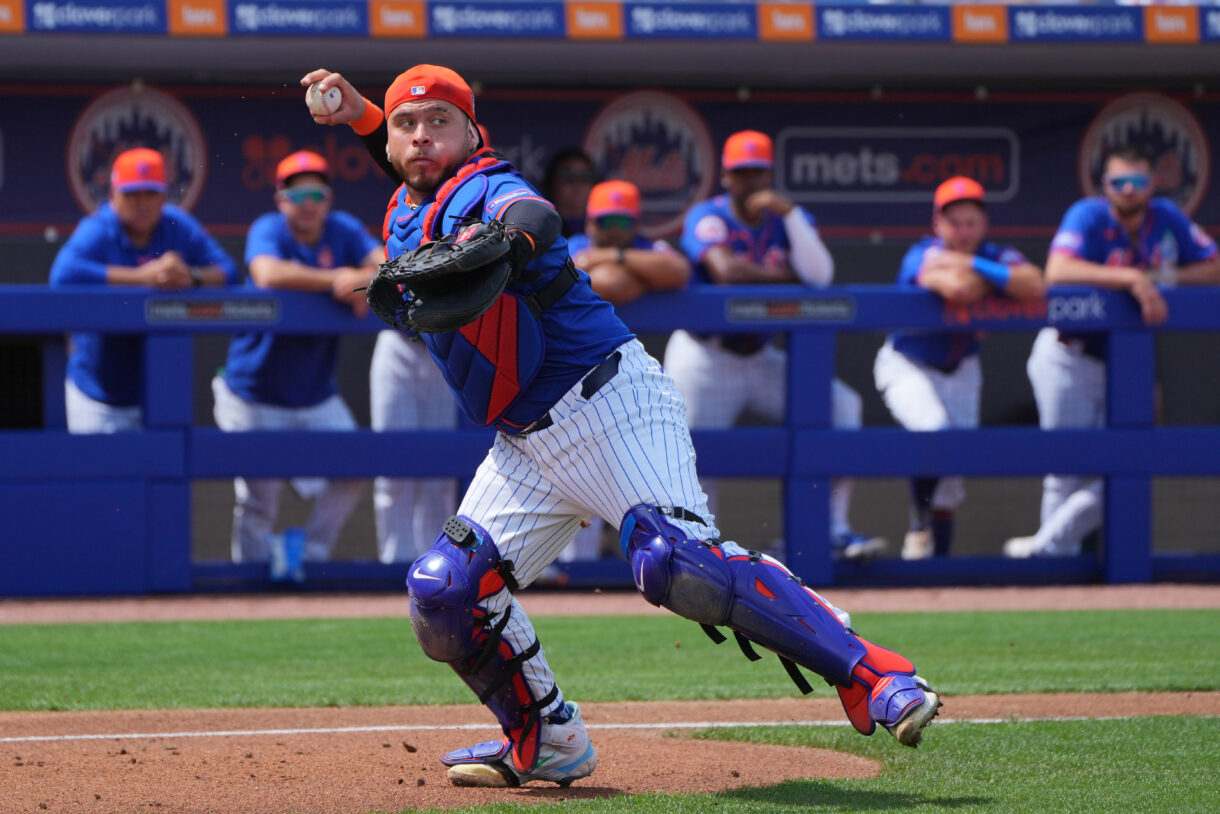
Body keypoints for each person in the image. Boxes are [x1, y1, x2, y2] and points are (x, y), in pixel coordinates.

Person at [303, 64, 940, 790]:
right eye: (405, 126)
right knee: (446, 592)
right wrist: (361, 113)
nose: (421, 137)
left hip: (607, 401)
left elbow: (532, 215)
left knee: (678, 563)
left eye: (440, 122)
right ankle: (545, 739)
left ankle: (871, 672)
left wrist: (509, 246)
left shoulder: (484, 184)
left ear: (474, 132)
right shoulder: (404, 203)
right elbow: (399, 149)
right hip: (524, 445)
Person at [664, 130, 886, 561]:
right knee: (695, 455)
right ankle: (697, 549)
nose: (750, 182)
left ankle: (833, 530)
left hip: (759, 355)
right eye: (741, 173)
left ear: (770, 175)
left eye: (758, 173)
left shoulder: (786, 221)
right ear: (727, 177)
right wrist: (789, 282)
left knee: (842, 406)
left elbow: (819, 277)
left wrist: (793, 215)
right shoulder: (707, 216)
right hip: (706, 355)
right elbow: (726, 271)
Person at [1005, 144, 1219, 558]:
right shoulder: (1089, 213)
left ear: (1152, 184)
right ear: (1106, 185)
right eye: (1119, 182)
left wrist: (1159, 275)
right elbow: (1059, 270)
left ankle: (1047, 550)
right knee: (1065, 467)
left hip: (1125, 363)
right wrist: (1131, 279)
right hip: (1068, 354)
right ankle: (1053, 563)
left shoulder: (1166, 218)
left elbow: (1213, 265)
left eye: (1137, 181)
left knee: (1132, 464)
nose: (1128, 190)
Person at [212, 150, 380, 564]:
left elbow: (385, 263)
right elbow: (266, 273)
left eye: (316, 194)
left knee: (354, 468)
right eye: (298, 194)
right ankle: (251, 585)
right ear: (281, 199)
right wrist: (338, 279)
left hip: (315, 394)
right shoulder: (269, 227)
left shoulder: (342, 229)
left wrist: (365, 277)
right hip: (253, 393)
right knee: (258, 498)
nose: (308, 203)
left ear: (328, 198)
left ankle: (310, 556)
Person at [873, 176, 1045, 559]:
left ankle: (941, 572)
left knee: (952, 477)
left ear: (983, 223)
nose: (963, 231)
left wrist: (970, 262)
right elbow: (958, 290)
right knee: (932, 431)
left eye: (971, 222)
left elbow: (1034, 284)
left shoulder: (991, 254)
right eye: (955, 223)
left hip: (962, 367)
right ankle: (919, 530)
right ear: (938, 224)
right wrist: (997, 281)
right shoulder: (922, 252)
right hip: (909, 363)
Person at [49, 147, 237, 433]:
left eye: (150, 194)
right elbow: (63, 274)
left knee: (160, 473)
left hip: (158, 393)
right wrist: (140, 276)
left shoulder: (177, 224)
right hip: (98, 392)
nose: (142, 204)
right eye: (132, 194)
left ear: (164, 197)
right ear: (113, 196)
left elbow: (228, 270)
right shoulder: (100, 227)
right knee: (102, 476)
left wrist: (192, 276)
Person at [560, 179, 691, 563]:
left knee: (626, 475)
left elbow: (676, 269)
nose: (614, 231)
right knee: (579, 479)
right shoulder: (570, 246)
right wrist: (630, 268)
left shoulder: (646, 249)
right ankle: (570, 574)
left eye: (622, 222)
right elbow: (605, 284)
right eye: (606, 222)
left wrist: (617, 257)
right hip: (574, 379)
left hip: (634, 380)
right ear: (589, 223)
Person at [541, 147, 596, 238]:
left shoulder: (602, 230)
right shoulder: (541, 228)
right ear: (551, 182)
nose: (577, 183)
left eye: (585, 177)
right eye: (568, 176)